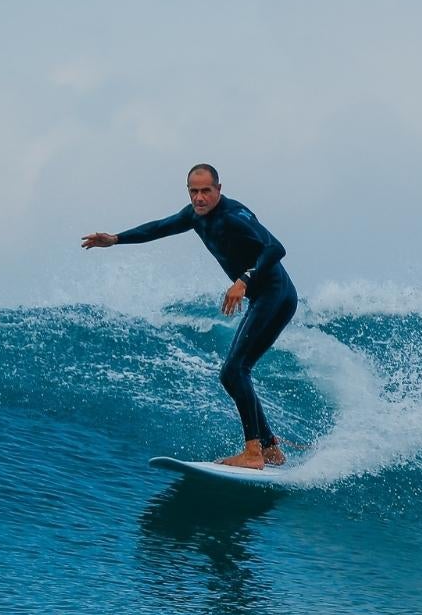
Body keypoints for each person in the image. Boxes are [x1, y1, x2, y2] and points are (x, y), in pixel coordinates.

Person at [82, 163, 297, 469]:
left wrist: (244, 280)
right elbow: (158, 227)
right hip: (264, 297)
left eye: (205, 191)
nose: (199, 198)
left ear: (218, 190)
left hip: (276, 295)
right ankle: (270, 448)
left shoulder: (235, 216)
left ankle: (253, 454)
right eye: (193, 191)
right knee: (235, 371)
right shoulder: (194, 216)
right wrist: (116, 239)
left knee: (235, 371)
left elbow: (276, 248)